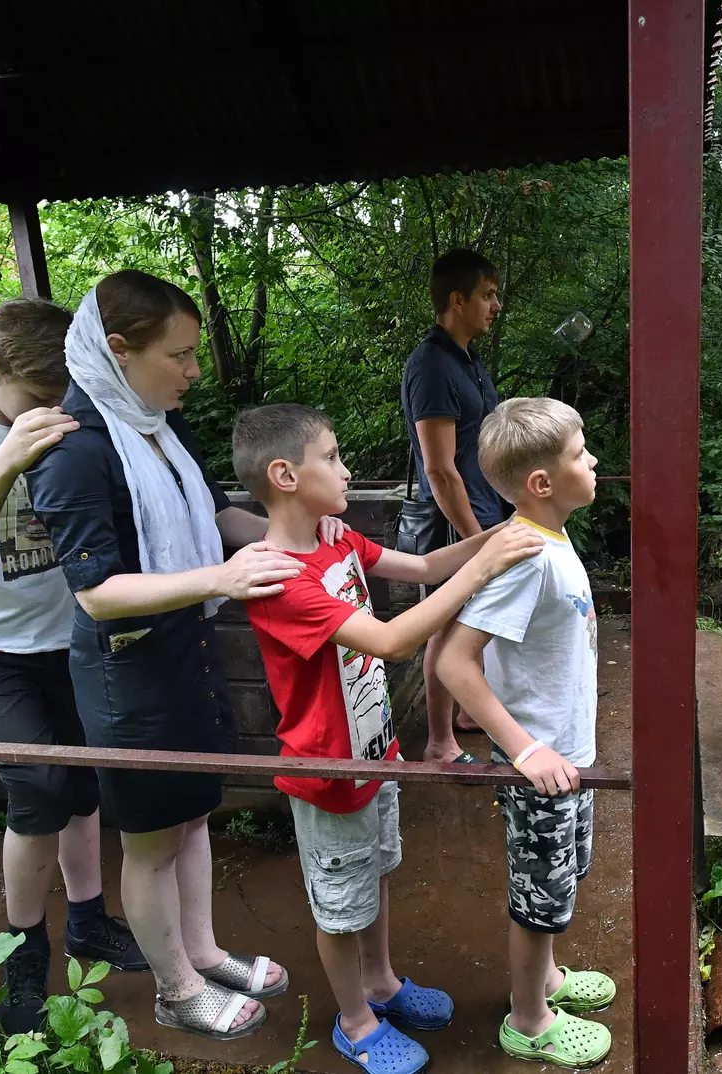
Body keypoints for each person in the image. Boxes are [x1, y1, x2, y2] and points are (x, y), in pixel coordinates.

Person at [27, 270, 344, 1041]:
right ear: (119, 351)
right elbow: (96, 592)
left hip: (184, 649)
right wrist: (223, 578)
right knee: (149, 839)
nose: (195, 371)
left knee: (195, 815)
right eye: (181, 355)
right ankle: (173, 986)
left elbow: (213, 511)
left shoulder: (156, 427)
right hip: (127, 671)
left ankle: (200, 950)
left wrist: (294, 533)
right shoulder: (78, 450)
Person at [231, 403, 544, 1072]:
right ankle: (354, 1019)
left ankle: (382, 983)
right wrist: (485, 568)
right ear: (285, 475)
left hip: (375, 755)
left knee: (375, 879)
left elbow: (428, 567)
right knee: (341, 907)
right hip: (328, 772)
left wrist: (500, 535)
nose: (347, 471)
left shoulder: (338, 542)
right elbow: (395, 640)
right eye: (334, 458)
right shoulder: (281, 578)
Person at [0, 298, 144, 1035]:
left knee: (79, 784)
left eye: (61, 394)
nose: (53, 408)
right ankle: (21, 954)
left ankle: (86, 921)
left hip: (66, 635)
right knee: (38, 785)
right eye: (37, 396)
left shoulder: (73, 416)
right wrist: (10, 452)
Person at [437, 397, 616, 1068]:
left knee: (562, 879)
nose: (593, 461)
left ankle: (546, 978)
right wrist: (524, 747)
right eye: (580, 453)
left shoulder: (552, 541)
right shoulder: (528, 559)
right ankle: (529, 1018)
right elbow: (455, 660)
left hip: (568, 754)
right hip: (540, 762)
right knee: (540, 898)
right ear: (541, 482)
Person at [400, 248, 510, 764]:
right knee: (445, 625)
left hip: (483, 511)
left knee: (474, 617)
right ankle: (440, 742)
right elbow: (439, 468)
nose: (495, 306)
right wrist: (474, 540)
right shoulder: (432, 366)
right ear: (457, 300)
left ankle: (467, 713)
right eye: (487, 296)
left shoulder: (467, 359)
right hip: (454, 523)